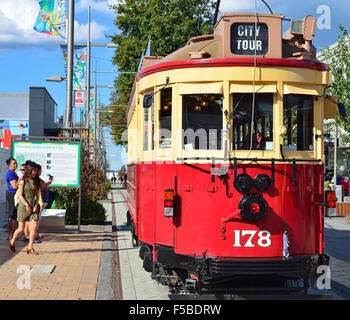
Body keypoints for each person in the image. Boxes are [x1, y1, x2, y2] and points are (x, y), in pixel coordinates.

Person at [9, 161, 41, 255]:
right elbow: (20, 195)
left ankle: (30, 247)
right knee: (21, 228)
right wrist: (27, 205)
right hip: (23, 206)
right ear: (30, 170)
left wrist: (36, 205)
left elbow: (37, 195)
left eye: (36, 171)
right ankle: (12, 241)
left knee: (34, 226)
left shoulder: (36, 181)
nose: (36, 172)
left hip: (33, 205)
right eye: (34, 170)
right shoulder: (22, 181)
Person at [5, 158, 19, 240]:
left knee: (13, 216)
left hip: (14, 195)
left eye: (16, 163)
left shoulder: (13, 173)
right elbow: (14, 186)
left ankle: (12, 235)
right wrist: (20, 180)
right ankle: (11, 236)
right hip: (12, 195)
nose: (16, 165)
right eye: (14, 164)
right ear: (9, 165)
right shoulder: (10, 174)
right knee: (12, 216)